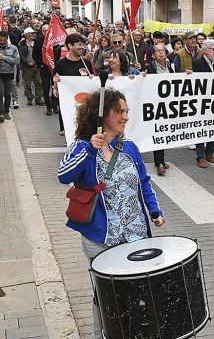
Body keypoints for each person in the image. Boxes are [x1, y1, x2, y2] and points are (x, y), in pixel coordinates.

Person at [57, 89, 165, 339]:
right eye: (121, 111)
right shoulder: (82, 146)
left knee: (138, 294)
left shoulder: (129, 147)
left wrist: (154, 210)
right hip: (101, 239)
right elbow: (64, 175)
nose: (126, 117)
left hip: (136, 235)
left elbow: (144, 182)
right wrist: (90, 151)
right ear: (103, 115)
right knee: (107, 298)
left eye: (127, 111)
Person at [53, 33, 96, 135]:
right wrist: (55, 87)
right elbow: (56, 82)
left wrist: (93, 79)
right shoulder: (61, 64)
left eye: (83, 45)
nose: (82, 47)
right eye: (79, 44)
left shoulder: (87, 63)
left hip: (84, 102)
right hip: (68, 103)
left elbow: (92, 82)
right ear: (70, 45)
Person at [145, 43, 176, 176]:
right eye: (157, 51)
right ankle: (159, 163)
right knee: (158, 132)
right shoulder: (149, 68)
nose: (161, 53)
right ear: (153, 55)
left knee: (163, 132)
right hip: (155, 104)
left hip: (168, 104)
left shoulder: (172, 67)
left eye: (162, 50)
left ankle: (161, 159)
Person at [191, 39, 214, 168]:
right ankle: (200, 157)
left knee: (213, 127)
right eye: (213, 49)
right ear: (206, 50)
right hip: (202, 102)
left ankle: (210, 153)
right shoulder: (198, 63)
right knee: (201, 128)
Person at [18, 27, 44, 106]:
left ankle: (38, 99)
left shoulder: (37, 42)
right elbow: (20, 55)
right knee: (28, 84)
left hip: (37, 65)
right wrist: (27, 62)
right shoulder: (22, 44)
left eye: (34, 33)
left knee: (39, 83)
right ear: (26, 35)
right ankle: (29, 99)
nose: (33, 35)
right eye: (32, 33)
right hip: (27, 67)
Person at [0, 31, 20, 123]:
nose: (2, 42)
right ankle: (1, 112)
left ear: (7, 39)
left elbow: (17, 60)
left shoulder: (13, 48)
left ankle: (6, 111)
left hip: (9, 74)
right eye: (0, 40)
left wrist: (4, 58)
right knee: (0, 93)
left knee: (8, 94)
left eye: (4, 40)